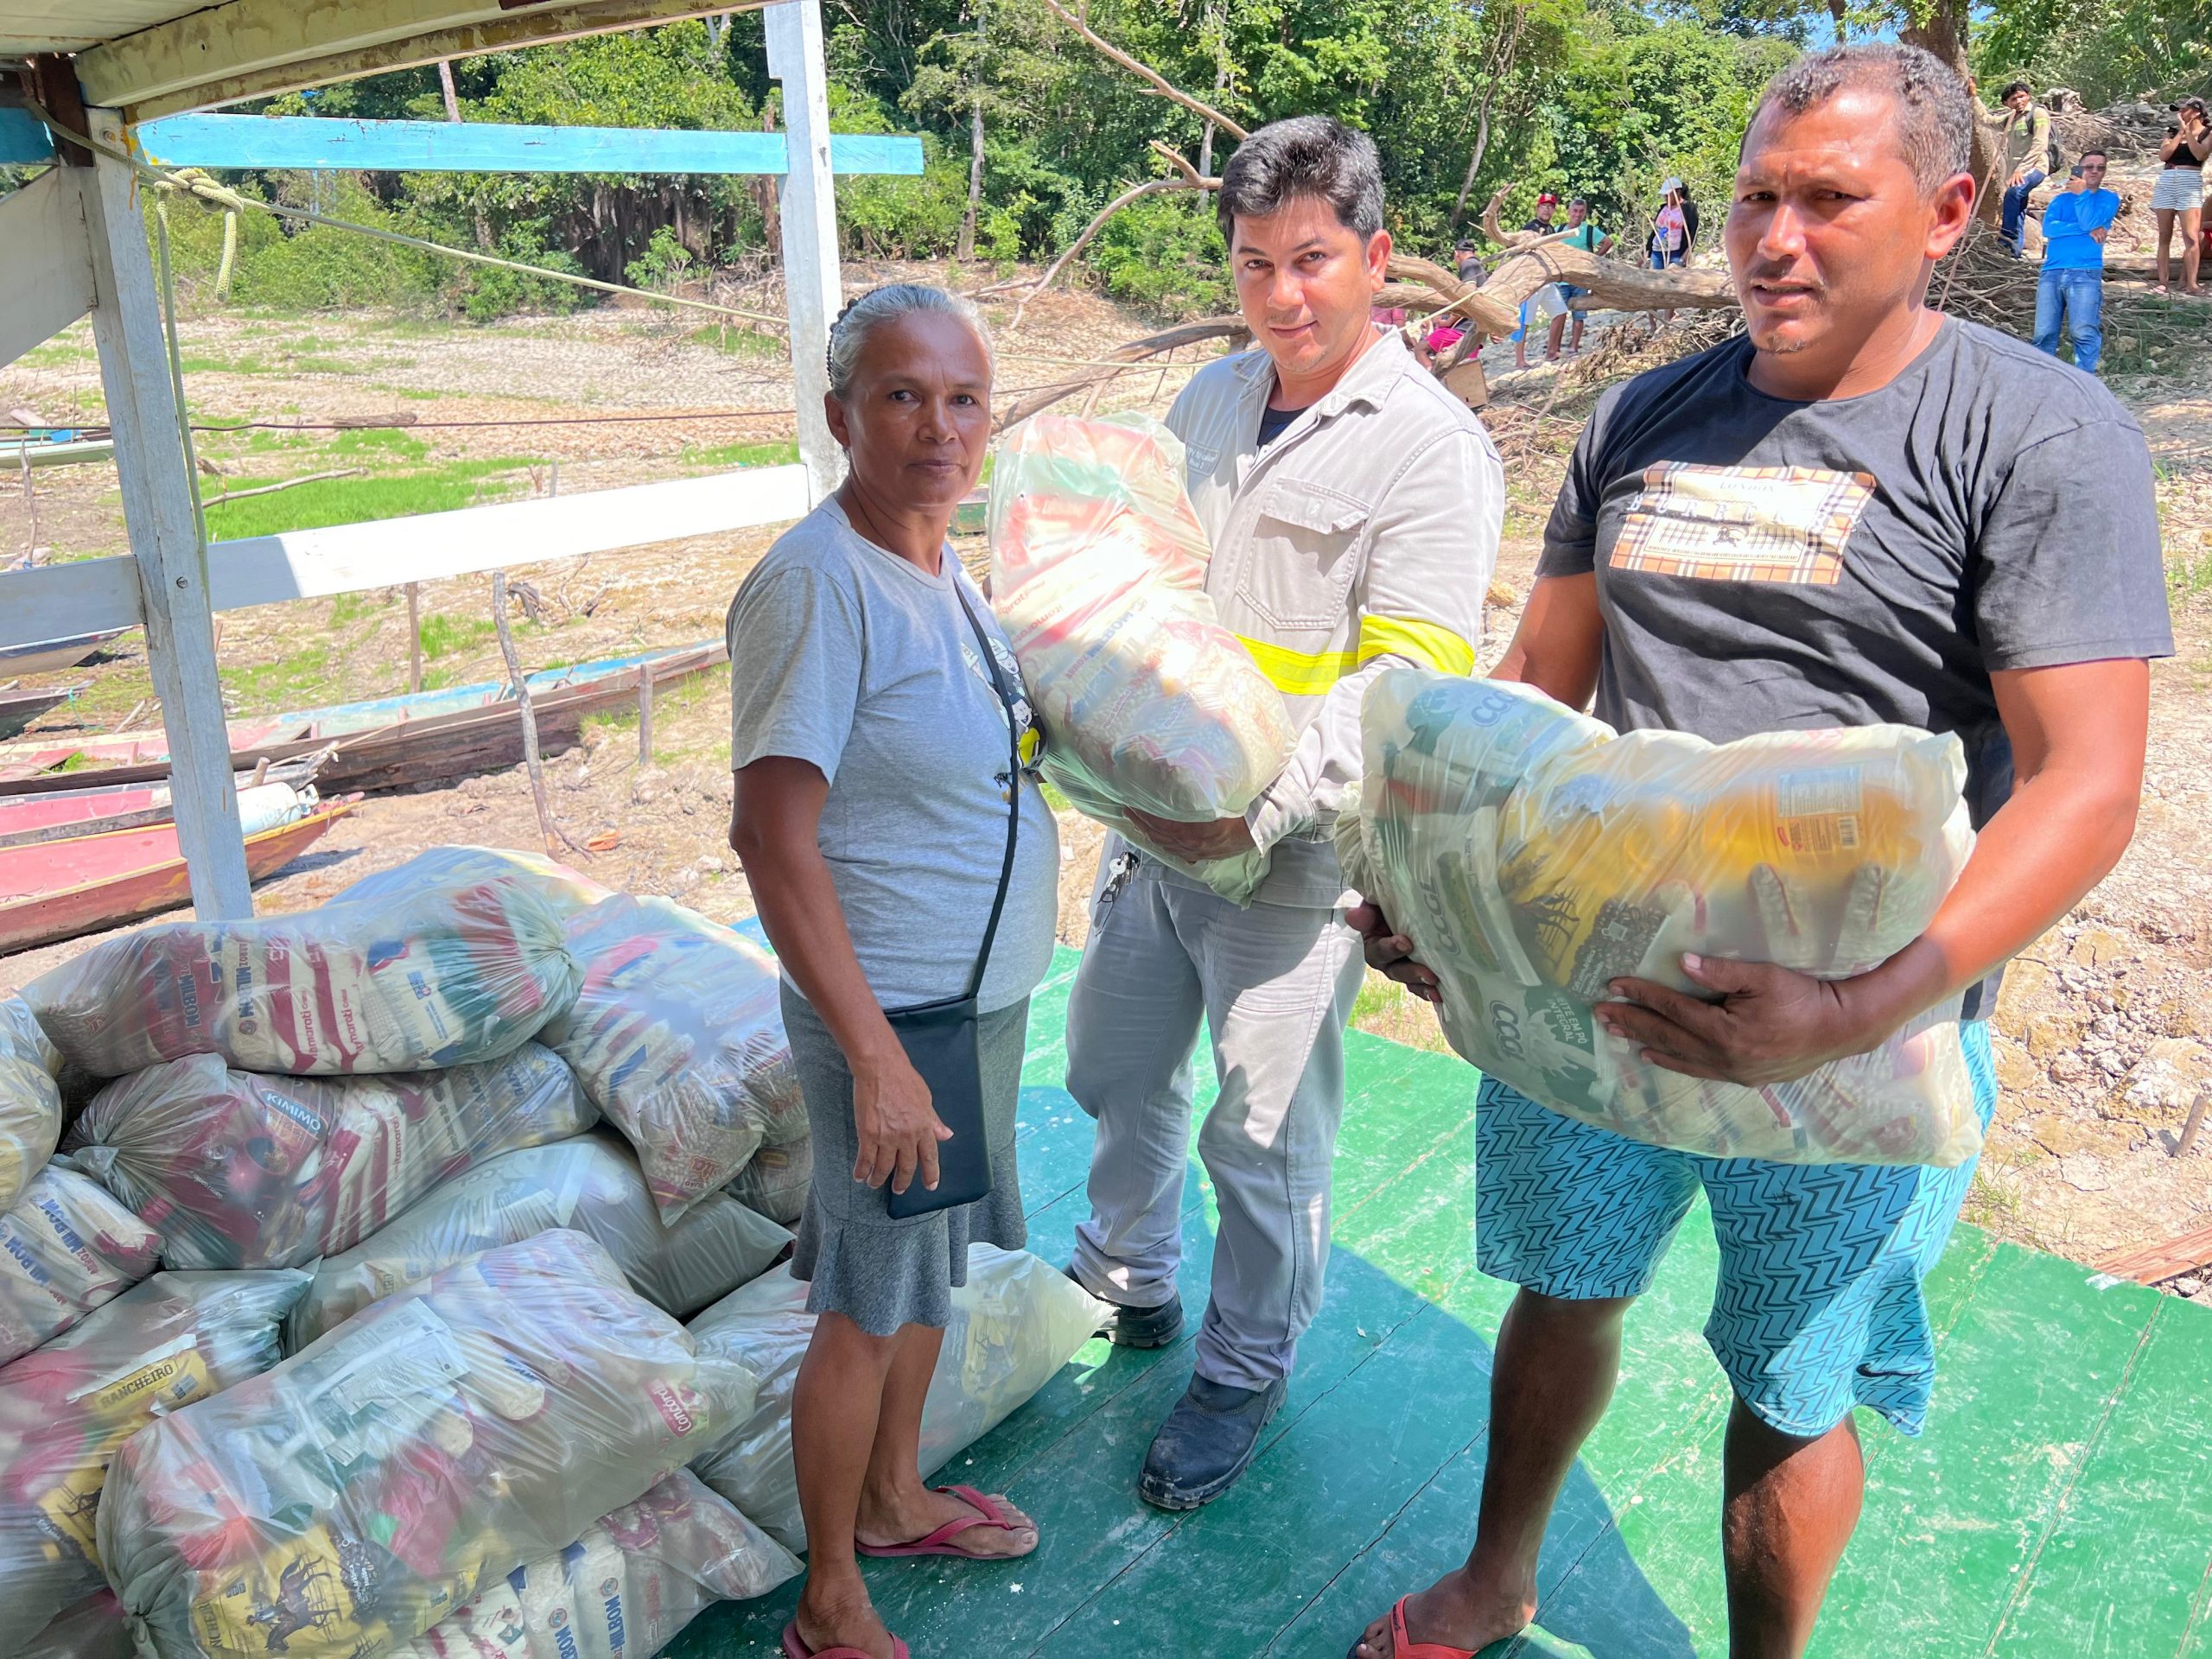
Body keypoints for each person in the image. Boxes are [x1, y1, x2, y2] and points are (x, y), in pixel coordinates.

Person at [1350, 41, 2166, 1659]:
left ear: (1947, 212)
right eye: (1752, 199)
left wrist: (1860, 1008)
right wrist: (1443, 879)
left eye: (1827, 201)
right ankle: (1497, 1577)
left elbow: (2088, 786)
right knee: (1563, 1291)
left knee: (1791, 1386)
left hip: (1855, 1038)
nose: (1772, 239)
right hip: (1601, 995)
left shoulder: (2040, 438)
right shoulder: (1648, 415)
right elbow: (1536, 690)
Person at [1065, 114, 1502, 1514]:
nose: (1283, 297)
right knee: (1117, 1075)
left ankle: (1242, 1366)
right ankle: (1128, 1282)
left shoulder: (1431, 451)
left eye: (1312, 260)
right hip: (1149, 835)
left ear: (1378, 259)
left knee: (1262, 1136)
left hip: (1292, 864)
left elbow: (1407, 689)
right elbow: (1137, 592)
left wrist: (1244, 816)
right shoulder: (1203, 402)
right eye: (1255, 265)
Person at [726, 283, 1062, 1659]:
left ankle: (897, 1497)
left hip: (967, 1001)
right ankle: (828, 1602)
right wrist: (872, 1056)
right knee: (867, 1305)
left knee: (925, 1274)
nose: (940, 426)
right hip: (895, 1012)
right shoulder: (819, 583)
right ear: (839, 417)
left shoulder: (942, 568)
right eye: (903, 396)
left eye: (964, 397)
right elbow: (769, 836)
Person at [2035, 150, 2119, 372]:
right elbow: (2049, 228)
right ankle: (2042, 381)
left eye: (2100, 167)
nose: (2094, 171)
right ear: (2079, 169)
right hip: (2052, 271)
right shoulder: (2060, 200)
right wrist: (2086, 229)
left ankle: (2085, 381)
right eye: (2089, 166)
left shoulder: (2109, 199)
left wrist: (2083, 196)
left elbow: (2091, 219)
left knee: (2083, 330)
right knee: (2043, 333)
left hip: (2085, 271)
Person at [1546, 195, 1615, 359]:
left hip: (1580, 280)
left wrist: (1594, 258)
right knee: (1558, 315)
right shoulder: (1559, 229)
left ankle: (1573, 347)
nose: (1577, 214)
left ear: (1585, 213)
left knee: (1579, 315)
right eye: (1575, 211)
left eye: (1581, 211)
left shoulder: (1589, 230)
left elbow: (1608, 242)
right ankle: (1554, 348)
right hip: (1561, 280)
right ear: (1569, 211)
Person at [2154, 96, 2209, 296]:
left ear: (2196, 112)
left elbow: (2200, 155)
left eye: (2184, 110)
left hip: (2189, 180)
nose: (2180, 113)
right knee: (2164, 236)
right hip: (2168, 179)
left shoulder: (2207, 132)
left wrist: (2189, 133)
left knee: (2191, 236)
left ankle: (2191, 283)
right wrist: (2180, 133)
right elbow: (2164, 155)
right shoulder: (2172, 132)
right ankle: (2163, 282)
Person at [1993, 79, 2054, 256]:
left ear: (2028, 96)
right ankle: (2014, 252)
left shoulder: (2038, 114)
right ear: (2007, 103)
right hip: (2017, 172)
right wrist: (1973, 98)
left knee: (2013, 193)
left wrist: (2022, 169)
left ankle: (2006, 240)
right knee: (2018, 205)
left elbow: (2040, 144)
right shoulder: (2010, 119)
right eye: (2013, 99)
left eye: (2021, 96)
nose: (2018, 101)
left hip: (2035, 167)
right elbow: (1987, 120)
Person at [1515, 190, 1565, 369]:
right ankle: (1520, 359)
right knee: (1525, 321)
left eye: (1550, 207)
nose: (1547, 210)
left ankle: (1552, 352)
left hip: (1547, 278)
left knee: (1560, 312)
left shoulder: (1551, 229)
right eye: (1544, 206)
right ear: (1538, 208)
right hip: (1531, 279)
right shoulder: (1530, 227)